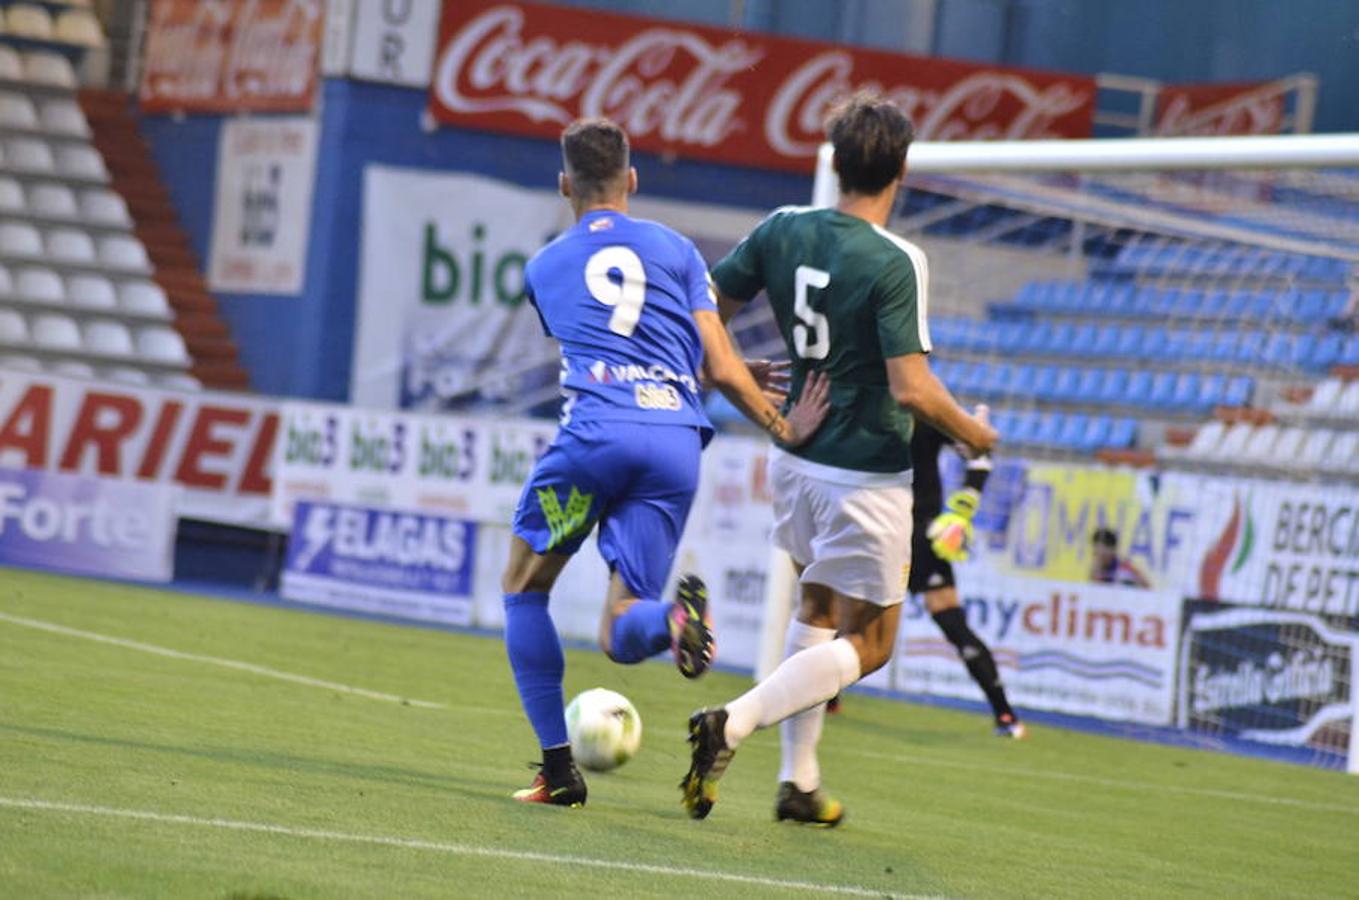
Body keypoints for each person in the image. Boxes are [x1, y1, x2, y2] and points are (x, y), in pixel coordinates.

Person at [680, 93, 997, 825]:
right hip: (865, 473)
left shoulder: (781, 228)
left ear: (832, 159)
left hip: (796, 457)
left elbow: (706, 317)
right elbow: (910, 387)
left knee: (815, 607)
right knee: (873, 641)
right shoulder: (896, 259)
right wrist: (972, 438)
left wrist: (742, 383)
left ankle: (799, 782)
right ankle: (731, 721)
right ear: (902, 169)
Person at [501, 117, 830, 808]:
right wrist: (780, 423)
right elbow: (715, 364)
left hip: (595, 438)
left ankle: (558, 772)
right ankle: (672, 624)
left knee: (524, 589)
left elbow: (604, 353)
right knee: (624, 628)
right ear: (633, 180)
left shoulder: (544, 267)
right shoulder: (676, 250)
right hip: (674, 442)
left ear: (564, 184)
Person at [910, 419, 1025, 738]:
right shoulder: (872, 404)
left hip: (920, 534)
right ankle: (1006, 716)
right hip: (882, 528)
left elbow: (981, 453)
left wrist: (965, 504)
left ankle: (1005, 714)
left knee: (953, 624)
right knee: (846, 620)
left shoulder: (925, 411)